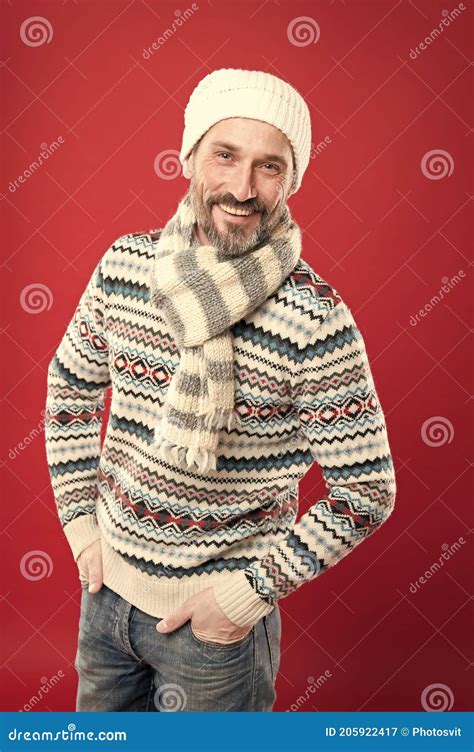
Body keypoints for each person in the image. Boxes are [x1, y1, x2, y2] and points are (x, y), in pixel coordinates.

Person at [45, 68, 396, 712]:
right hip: (105, 602)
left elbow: (366, 491)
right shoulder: (127, 266)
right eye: (225, 155)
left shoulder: (314, 318)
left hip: (217, 636)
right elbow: (70, 386)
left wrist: (245, 596)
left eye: (269, 166)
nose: (242, 187)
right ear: (188, 159)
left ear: (290, 181)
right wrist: (79, 525)